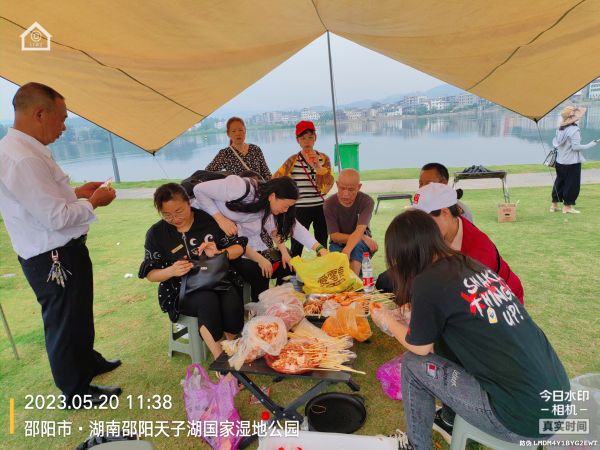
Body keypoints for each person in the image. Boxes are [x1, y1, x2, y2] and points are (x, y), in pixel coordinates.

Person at [370, 209, 569, 450]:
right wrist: (414, 315)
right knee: (443, 348)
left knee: (413, 364)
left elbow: (421, 348)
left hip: (522, 417)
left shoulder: (429, 280)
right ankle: (449, 418)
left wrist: (386, 319)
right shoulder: (469, 264)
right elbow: (459, 323)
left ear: (404, 254)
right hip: (555, 401)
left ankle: (416, 446)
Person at [0, 82, 121, 407]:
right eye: (62, 118)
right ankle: (75, 390)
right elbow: (55, 217)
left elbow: (44, 200)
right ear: (40, 114)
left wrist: (77, 193)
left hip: (63, 249)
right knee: (64, 322)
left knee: (78, 313)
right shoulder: (21, 158)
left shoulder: (26, 149)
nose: (65, 127)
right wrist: (94, 202)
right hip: (51, 255)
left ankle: (88, 361)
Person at [139, 184, 246, 358]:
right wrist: (172, 271)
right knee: (207, 301)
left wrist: (219, 252)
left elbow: (239, 247)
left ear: (189, 203)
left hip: (217, 279)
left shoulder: (209, 221)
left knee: (231, 302)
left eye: (179, 211)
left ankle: (234, 349)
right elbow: (151, 274)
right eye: (167, 215)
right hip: (181, 289)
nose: (175, 218)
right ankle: (221, 360)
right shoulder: (156, 233)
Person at [192, 175, 328, 302]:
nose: (286, 210)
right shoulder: (240, 188)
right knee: (258, 270)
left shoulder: (265, 207)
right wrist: (220, 219)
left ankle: (283, 303)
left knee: (286, 265)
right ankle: (260, 308)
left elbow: (295, 227)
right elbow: (199, 190)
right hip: (207, 235)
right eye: (285, 206)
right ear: (273, 196)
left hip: (234, 242)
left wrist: (319, 248)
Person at [273, 121, 334, 256]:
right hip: (299, 207)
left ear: (315, 138)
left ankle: (323, 266)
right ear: (298, 140)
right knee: (297, 244)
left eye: (310, 137)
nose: (307, 141)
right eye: (303, 138)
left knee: (322, 241)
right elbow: (276, 179)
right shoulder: (293, 160)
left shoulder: (324, 158)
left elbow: (327, 186)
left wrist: (318, 168)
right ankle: (294, 268)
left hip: (320, 206)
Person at [324, 168, 377, 275]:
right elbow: (334, 236)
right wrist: (362, 237)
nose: (346, 194)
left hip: (361, 244)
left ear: (359, 187)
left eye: (351, 190)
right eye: (342, 188)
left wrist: (348, 249)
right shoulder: (329, 203)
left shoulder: (367, 201)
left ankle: (353, 282)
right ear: (337, 185)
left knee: (357, 247)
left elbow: (360, 229)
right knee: (338, 263)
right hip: (338, 243)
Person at [550, 106, 598, 214]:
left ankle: (554, 205)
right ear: (573, 118)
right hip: (571, 162)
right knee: (572, 184)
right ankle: (567, 207)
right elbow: (575, 147)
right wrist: (590, 144)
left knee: (559, 182)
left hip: (560, 161)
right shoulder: (574, 130)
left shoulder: (560, 129)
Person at [206, 117, 271, 181]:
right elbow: (207, 174)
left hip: (259, 187)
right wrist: (226, 181)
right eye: (233, 131)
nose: (238, 133)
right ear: (228, 134)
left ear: (245, 131)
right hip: (238, 188)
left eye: (240, 130)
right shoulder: (225, 153)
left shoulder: (255, 149)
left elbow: (266, 173)